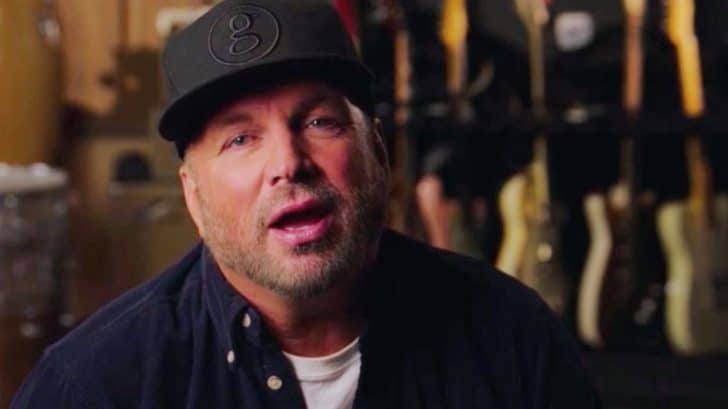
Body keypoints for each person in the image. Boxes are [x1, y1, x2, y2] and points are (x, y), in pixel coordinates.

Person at [12, 0, 601, 408]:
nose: (288, 163)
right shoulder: (93, 384)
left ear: (378, 152)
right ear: (193, 194)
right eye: (240, 139)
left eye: (319, 122)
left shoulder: (513, 339)